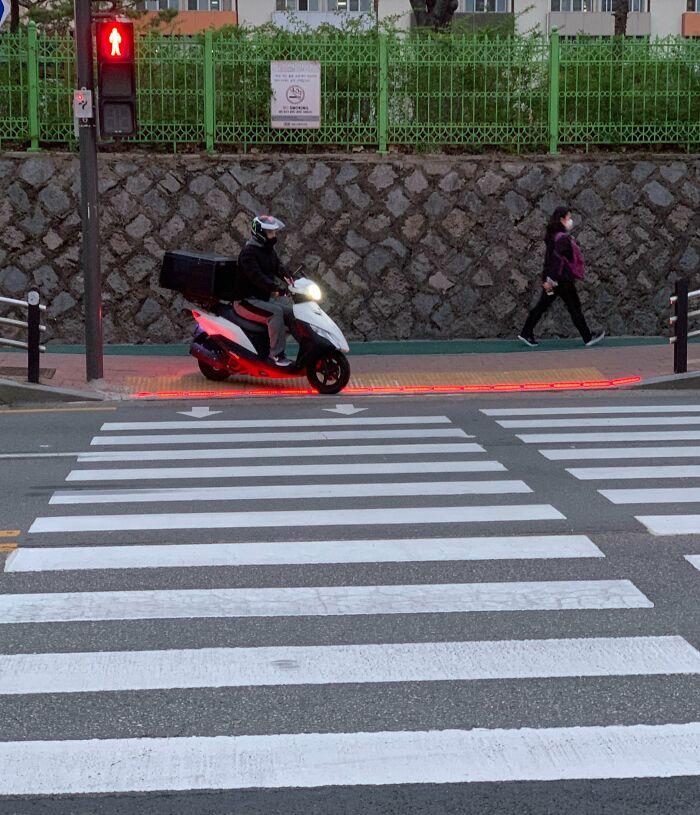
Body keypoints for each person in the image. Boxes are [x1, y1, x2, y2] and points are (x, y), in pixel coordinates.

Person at [518, 206, 604, 349]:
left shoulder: (551, 236)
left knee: (542, 305)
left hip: (552, 280)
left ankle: (526, 332)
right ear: (561, 219)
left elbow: (549, 260)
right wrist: (552, 280)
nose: (570, 221)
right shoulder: (562, 239)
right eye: (568, 218)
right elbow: (557, 260)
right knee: (574, 307)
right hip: (562, 281)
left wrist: (547, 279)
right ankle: (587, 337)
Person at [233, 214, 294, 367]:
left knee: (292, 313)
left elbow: (278, 267)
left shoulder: (268, 251)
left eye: (274, 232)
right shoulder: (248, 253)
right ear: (260, 233)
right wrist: (275, 288)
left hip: (261, 300)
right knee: (276, 313)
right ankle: (276, 356)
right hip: (246, 301)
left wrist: (291, 278)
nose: (274, 236)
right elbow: (257, 277)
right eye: (270, 233)